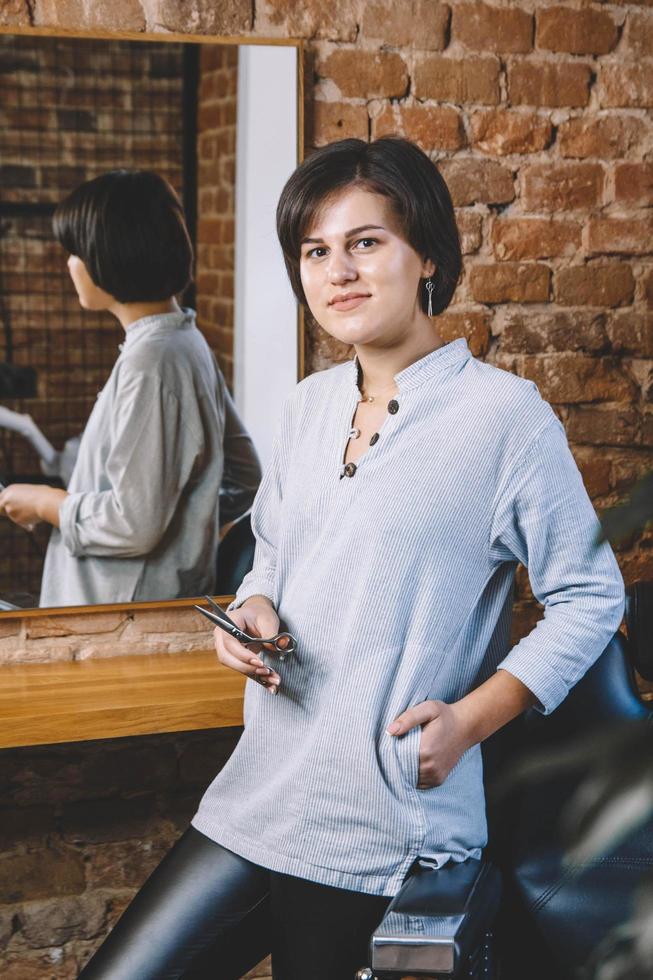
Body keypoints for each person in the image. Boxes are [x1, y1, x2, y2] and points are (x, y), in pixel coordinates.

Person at [76, 138, 625, 979]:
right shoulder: (305, 407)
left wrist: (468, 723)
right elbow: (272, 559)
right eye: (315, 251)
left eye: (365, 242)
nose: (339, 271)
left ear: (427, 255)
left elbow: (589, 597)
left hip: (388, 819)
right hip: (261, 793)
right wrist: (253, 610)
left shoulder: (505, 419)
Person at [0, 170, 261, 606]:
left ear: (108, 257)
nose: (69, 264)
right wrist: (184, 519)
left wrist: (49, 503)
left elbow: (134, 522)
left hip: (115, 615)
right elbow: (245, 475)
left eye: (75, 252)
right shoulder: (184, 341)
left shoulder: (152, 364)